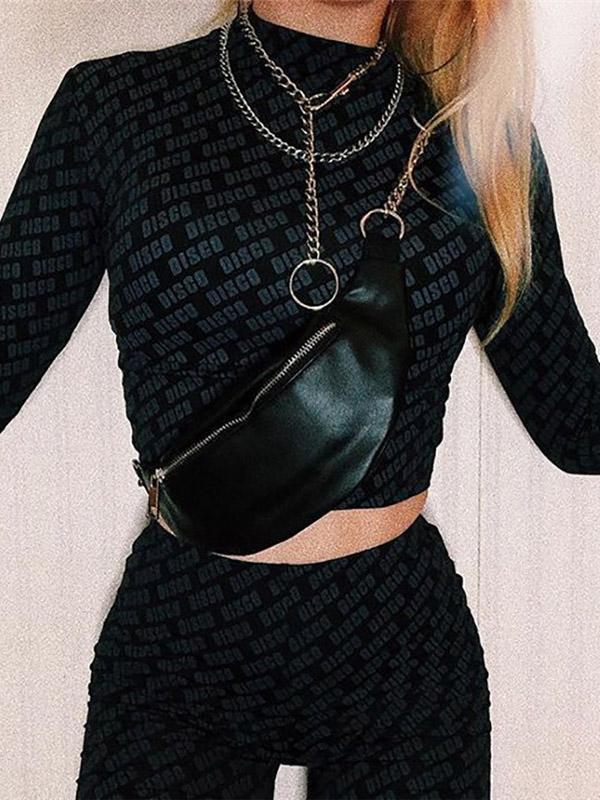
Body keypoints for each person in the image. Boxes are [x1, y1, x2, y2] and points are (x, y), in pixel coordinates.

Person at [1, 0, 598, 797]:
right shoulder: (115, 108)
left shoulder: (481, 143)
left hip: (403, 652)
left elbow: (577, 426)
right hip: (183, 641)